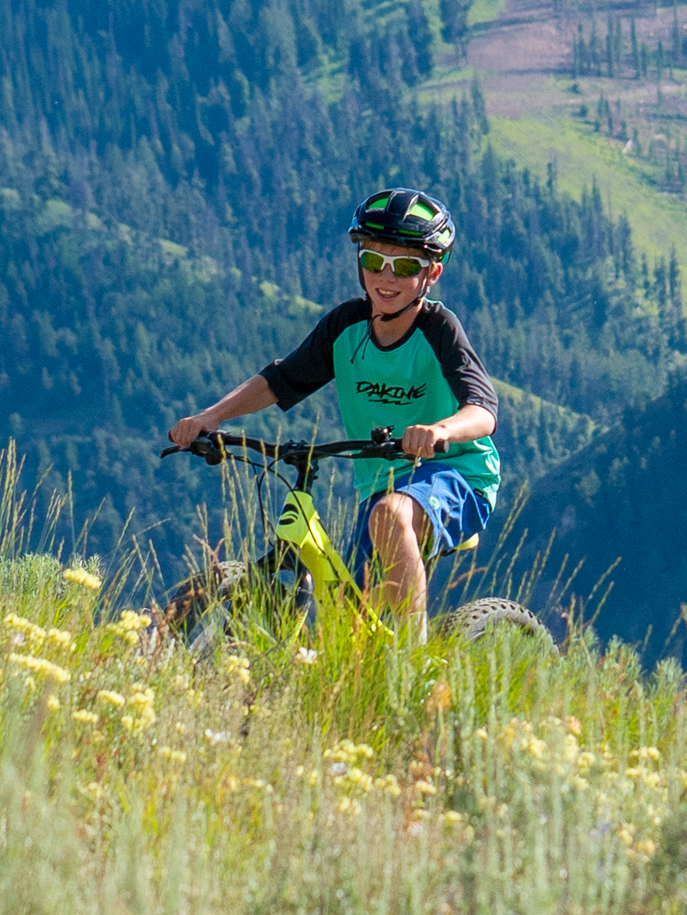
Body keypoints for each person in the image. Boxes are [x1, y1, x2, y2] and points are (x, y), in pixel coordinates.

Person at [164, 188, 504, 622]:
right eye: (372, 260)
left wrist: (439, 432)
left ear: (432, 273)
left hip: (457, 475)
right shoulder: (345, 327)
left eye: (404, 266)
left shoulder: (439, 330)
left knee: (389, 516)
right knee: (348, 627)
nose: (386, 276)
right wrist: (209, 418)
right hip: (379, 484)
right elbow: (279, 380)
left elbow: (483, 410)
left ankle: (411, 667)